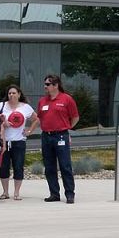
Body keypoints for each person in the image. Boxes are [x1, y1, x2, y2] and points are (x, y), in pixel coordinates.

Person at [35, 73, 80, 204]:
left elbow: (75, 117)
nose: (45, 86)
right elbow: (40, 118)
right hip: (46, 136)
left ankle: (70, 194)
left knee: (65, 165)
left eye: (48, 84)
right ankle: (54, 193)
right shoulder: (42, 101)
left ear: (56, 85)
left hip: (60, 136)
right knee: (49, 166)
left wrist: (66, 128)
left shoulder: (67, 99)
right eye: (45, 84)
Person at [0, 85, 32, 202]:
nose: (11, 95)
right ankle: (5, 192)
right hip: (4, 142)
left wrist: (29, 131)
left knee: (18, 166)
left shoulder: (25, 107)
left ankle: (16, 192)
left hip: (19, 141)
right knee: (3, 167)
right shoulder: (1, 106)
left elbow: (36, 119)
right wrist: (3, 123)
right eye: (9, 93)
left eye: (14, 93)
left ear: (19, 94)